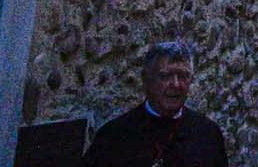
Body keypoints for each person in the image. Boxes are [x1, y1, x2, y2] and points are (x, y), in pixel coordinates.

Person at [81, 40, 228, 167]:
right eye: (165, 76)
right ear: (146, 79)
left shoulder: (208, 134)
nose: (176, 84)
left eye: (183, 76)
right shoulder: (113, 137)